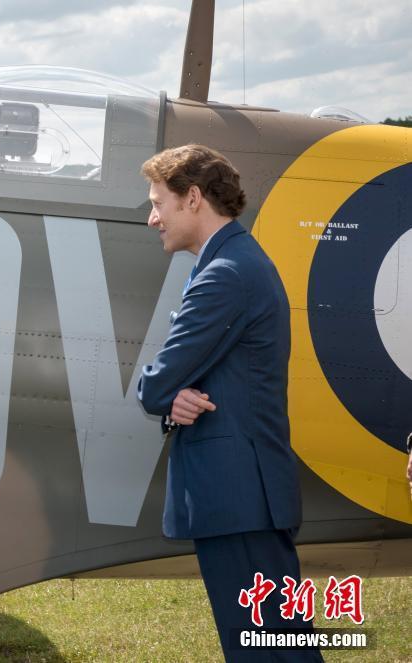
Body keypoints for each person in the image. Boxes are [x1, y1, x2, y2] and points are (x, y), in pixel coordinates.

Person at [136, 145, 322, 661]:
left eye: (159, 203)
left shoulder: (225, 275)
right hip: (244, 498)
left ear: (193, 198)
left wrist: (166, 393)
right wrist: (175, 395)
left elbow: (153, 385)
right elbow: (178, 383)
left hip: (239, 499)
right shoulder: (229, 263)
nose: (153, 218)